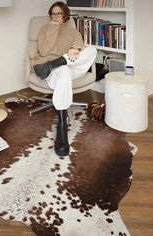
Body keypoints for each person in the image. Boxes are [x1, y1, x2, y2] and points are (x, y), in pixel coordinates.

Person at [33, 1, 97, 157]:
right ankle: (62, 127)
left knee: (92, 49)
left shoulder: (73, 32)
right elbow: (44, 50)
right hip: (52, 69)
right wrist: (54, 28)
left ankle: (57, 62)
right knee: (63, 72)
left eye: (59, 14)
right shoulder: (45, 29)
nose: (55, 16)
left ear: (65, 15)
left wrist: (75, 48)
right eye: (53, 14)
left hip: (68, 64)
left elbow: (80, 46)